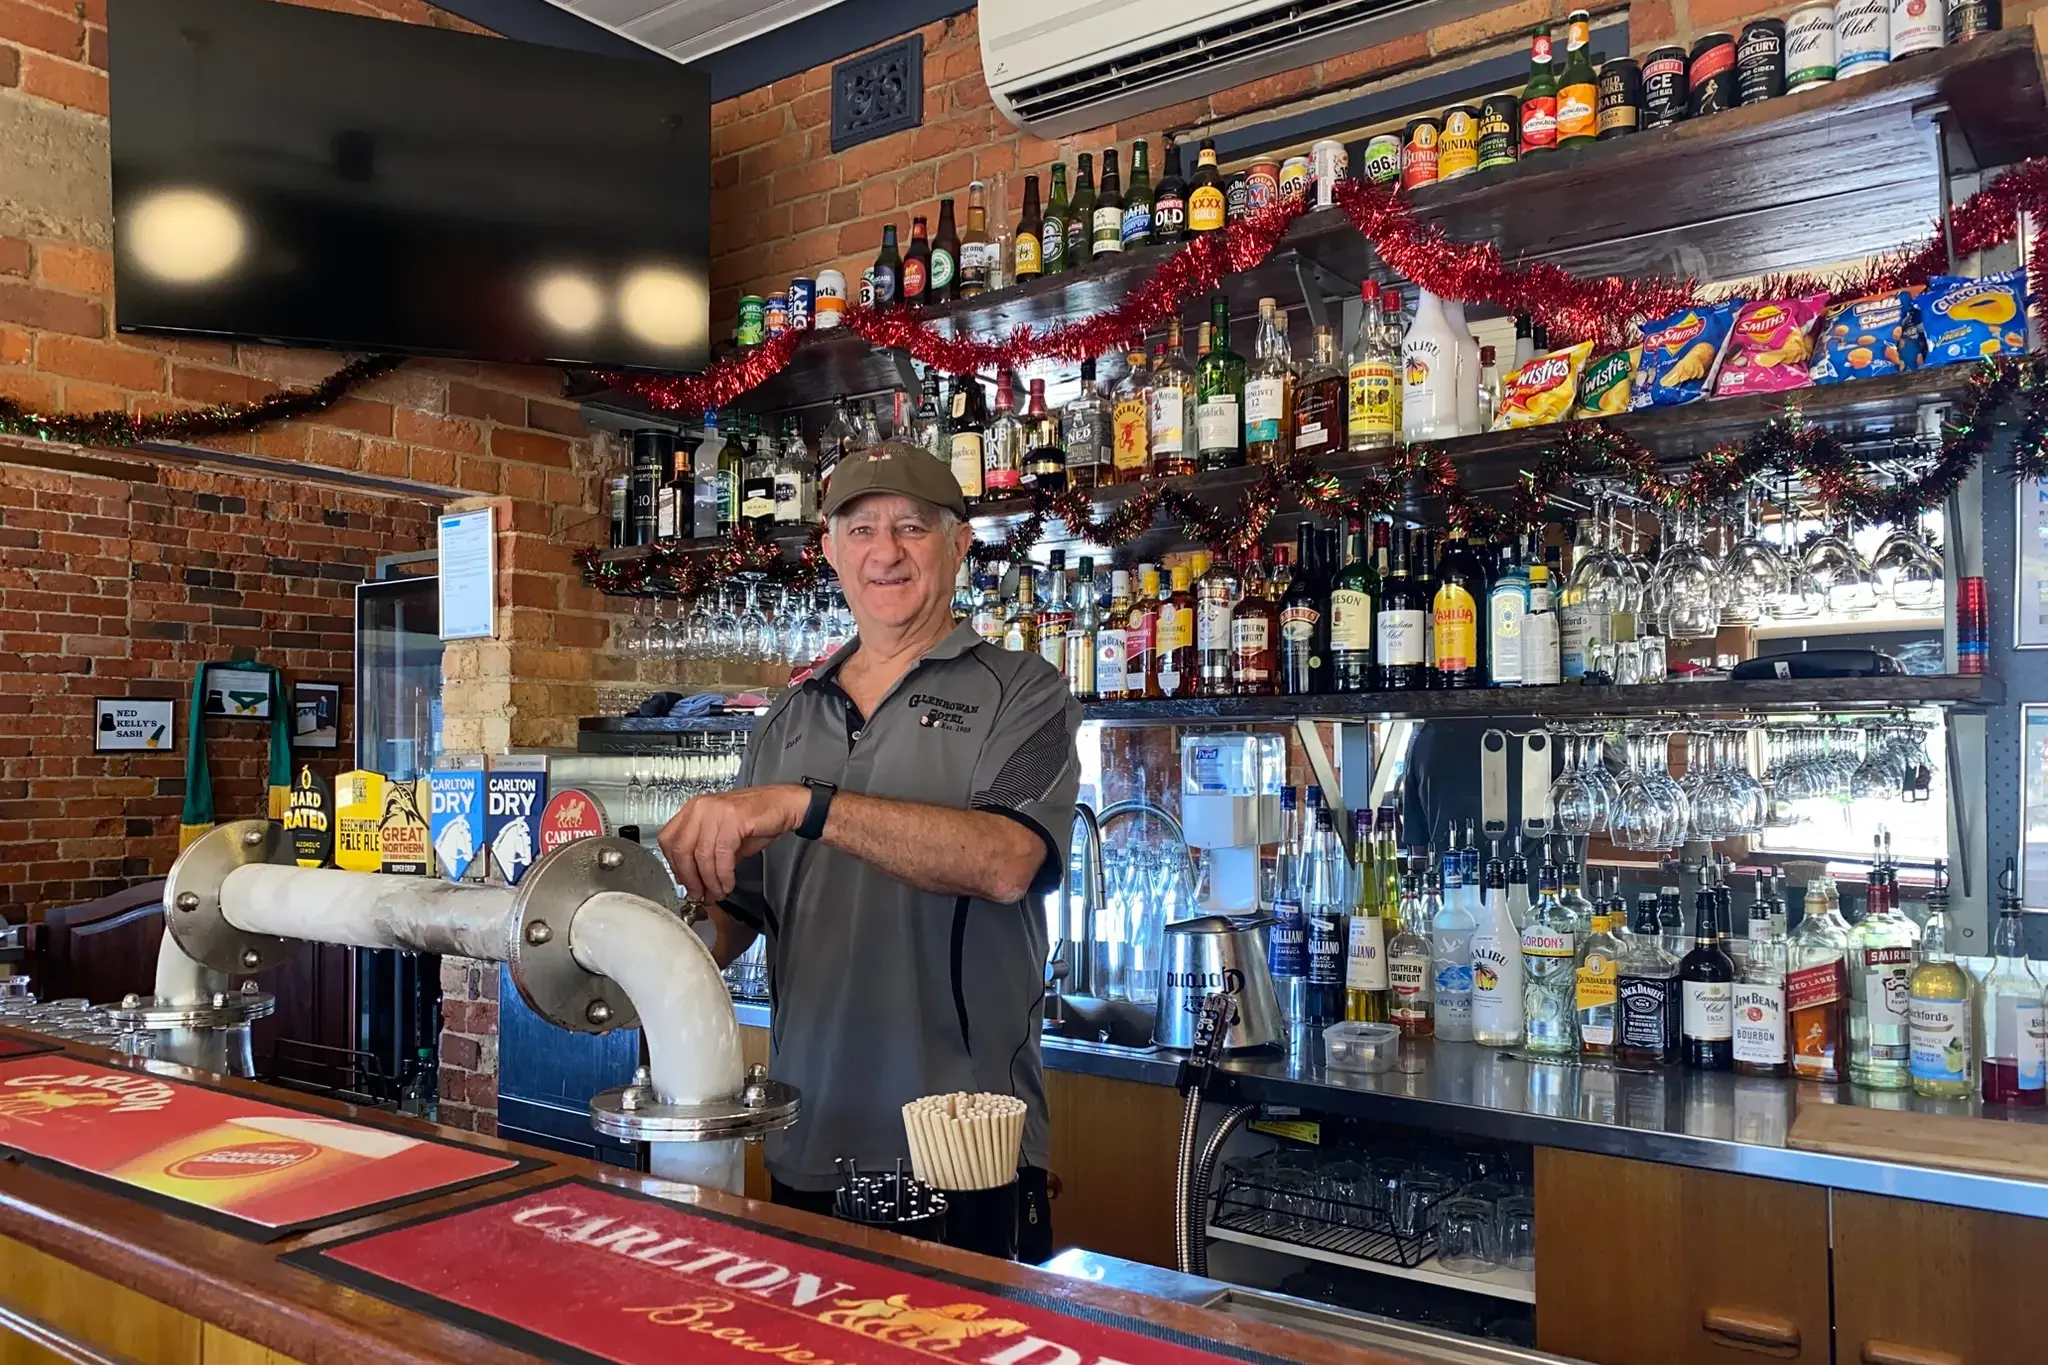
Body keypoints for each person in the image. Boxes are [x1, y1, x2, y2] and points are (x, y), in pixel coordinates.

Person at [658, 440, 1081, 1261]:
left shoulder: (1024, 690)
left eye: (911, 528)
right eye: (859, 530)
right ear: (828, 551)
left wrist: (804, 806)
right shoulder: (788, 718)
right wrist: (627, 931)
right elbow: (733, 918)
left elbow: (1006, 862)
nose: (884, 552)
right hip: (805, 1137)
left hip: (966, 1149)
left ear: (959, 544)